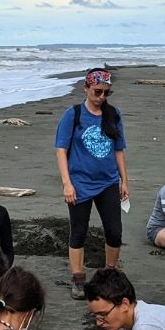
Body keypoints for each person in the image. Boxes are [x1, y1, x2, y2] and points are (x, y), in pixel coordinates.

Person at [55, 67, 128, 299]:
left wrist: (124, 181)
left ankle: (110, 273)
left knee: (114, 232)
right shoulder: (73, 114)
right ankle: (78, 279)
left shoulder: (113, 115)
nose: (102, 97)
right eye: (97, 92)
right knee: (78, 231)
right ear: (86, 88)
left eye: (106, 93)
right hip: (80, 183)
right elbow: (61, 150)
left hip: (107, 182)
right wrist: (67, 183)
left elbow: (119, 150)